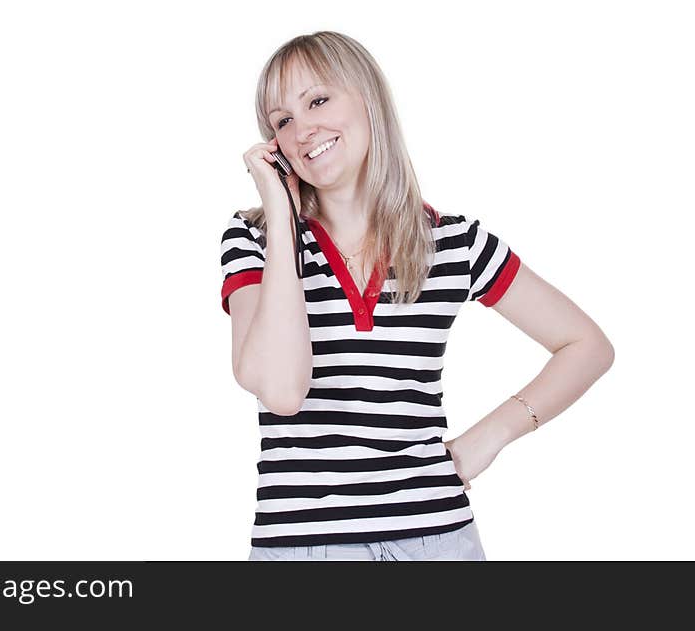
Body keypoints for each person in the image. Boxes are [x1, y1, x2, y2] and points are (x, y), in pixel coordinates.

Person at [219, 31, 614, 561]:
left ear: (369, 99)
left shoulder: (454, 243)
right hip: (300, 549)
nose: (302, 129)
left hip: (437, 542)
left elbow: (587, 346)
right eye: (281, 121)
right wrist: (281, 215)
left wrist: (488, 437)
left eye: (317, 100)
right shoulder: (254, 239)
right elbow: (283, 392)